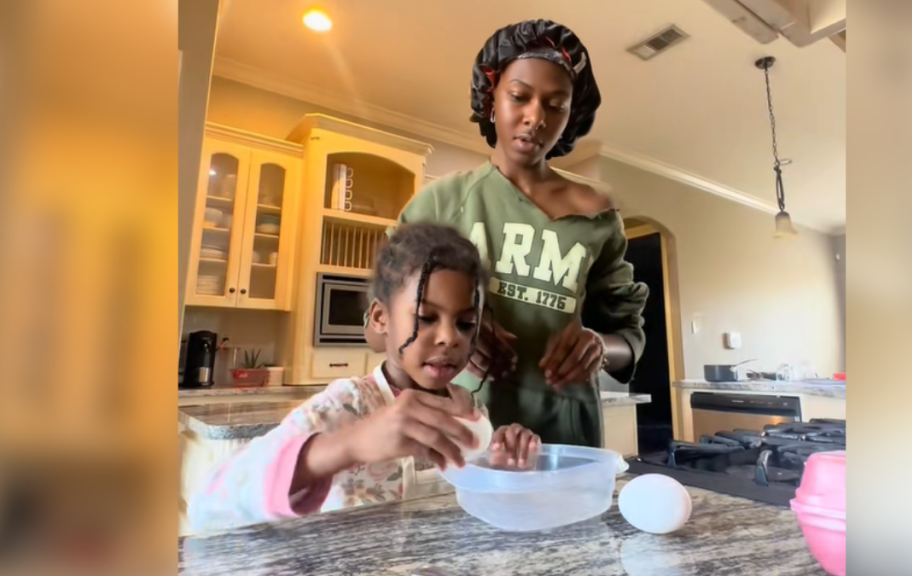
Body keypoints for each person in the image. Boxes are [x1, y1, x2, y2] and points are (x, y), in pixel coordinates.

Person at [365, 19, 649, 448]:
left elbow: (628, 335)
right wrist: (458, 332)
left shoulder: (599, 220)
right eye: (519, 96)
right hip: (459, 434)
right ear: (491, 98)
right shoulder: (440, 204)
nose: (536, 117)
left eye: (556, 105)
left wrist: (600, 347)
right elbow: (375, 329)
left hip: (566, 439)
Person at [190, 223, 541, 533]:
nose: (450, 337)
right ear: (380, 318)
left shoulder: (470, 410)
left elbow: (472, 515)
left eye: (466, 324)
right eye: (426, 317)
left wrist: (502, 471)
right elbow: (208, 504)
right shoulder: (345, 406)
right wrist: (348, 445)